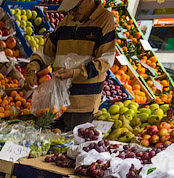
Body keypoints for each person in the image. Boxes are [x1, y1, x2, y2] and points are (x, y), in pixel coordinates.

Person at [23, 0, 116, 131]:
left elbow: (105, 61)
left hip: (81, 104)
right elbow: (46, 52)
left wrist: (74, 73)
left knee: (70, 144)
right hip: (56, 101)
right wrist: (33, 69)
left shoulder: (105, 19)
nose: (72, 12)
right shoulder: (67, 21)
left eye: (76, 7)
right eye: (70, 9)